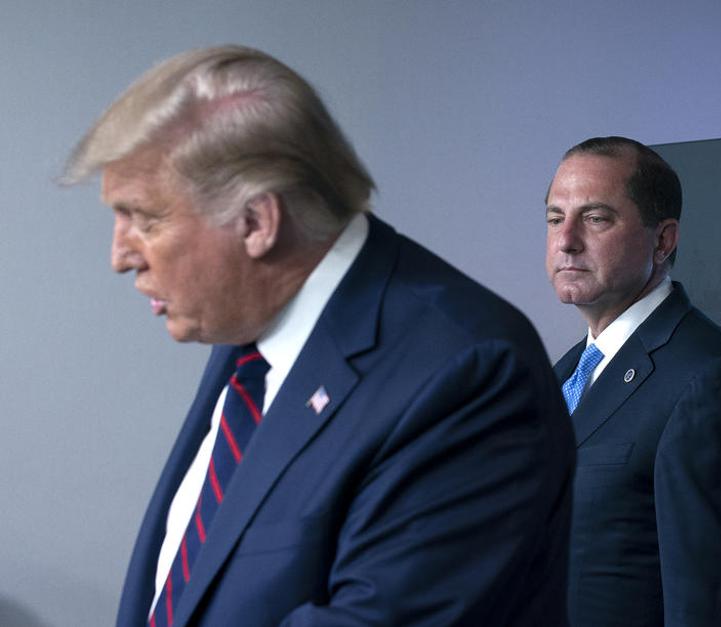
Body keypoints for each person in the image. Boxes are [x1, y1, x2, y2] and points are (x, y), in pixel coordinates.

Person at [63, 45, 574, 627]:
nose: (120, 256)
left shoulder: (469, 376)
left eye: (145, 219)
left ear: (256, 222)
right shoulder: (251, 327)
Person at [545, 136, 721, 626]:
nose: (566, 240)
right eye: (555, 218)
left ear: (663, 240)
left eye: (595, 218)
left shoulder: (708, 380)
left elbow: (713, 609)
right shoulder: (567, 371)